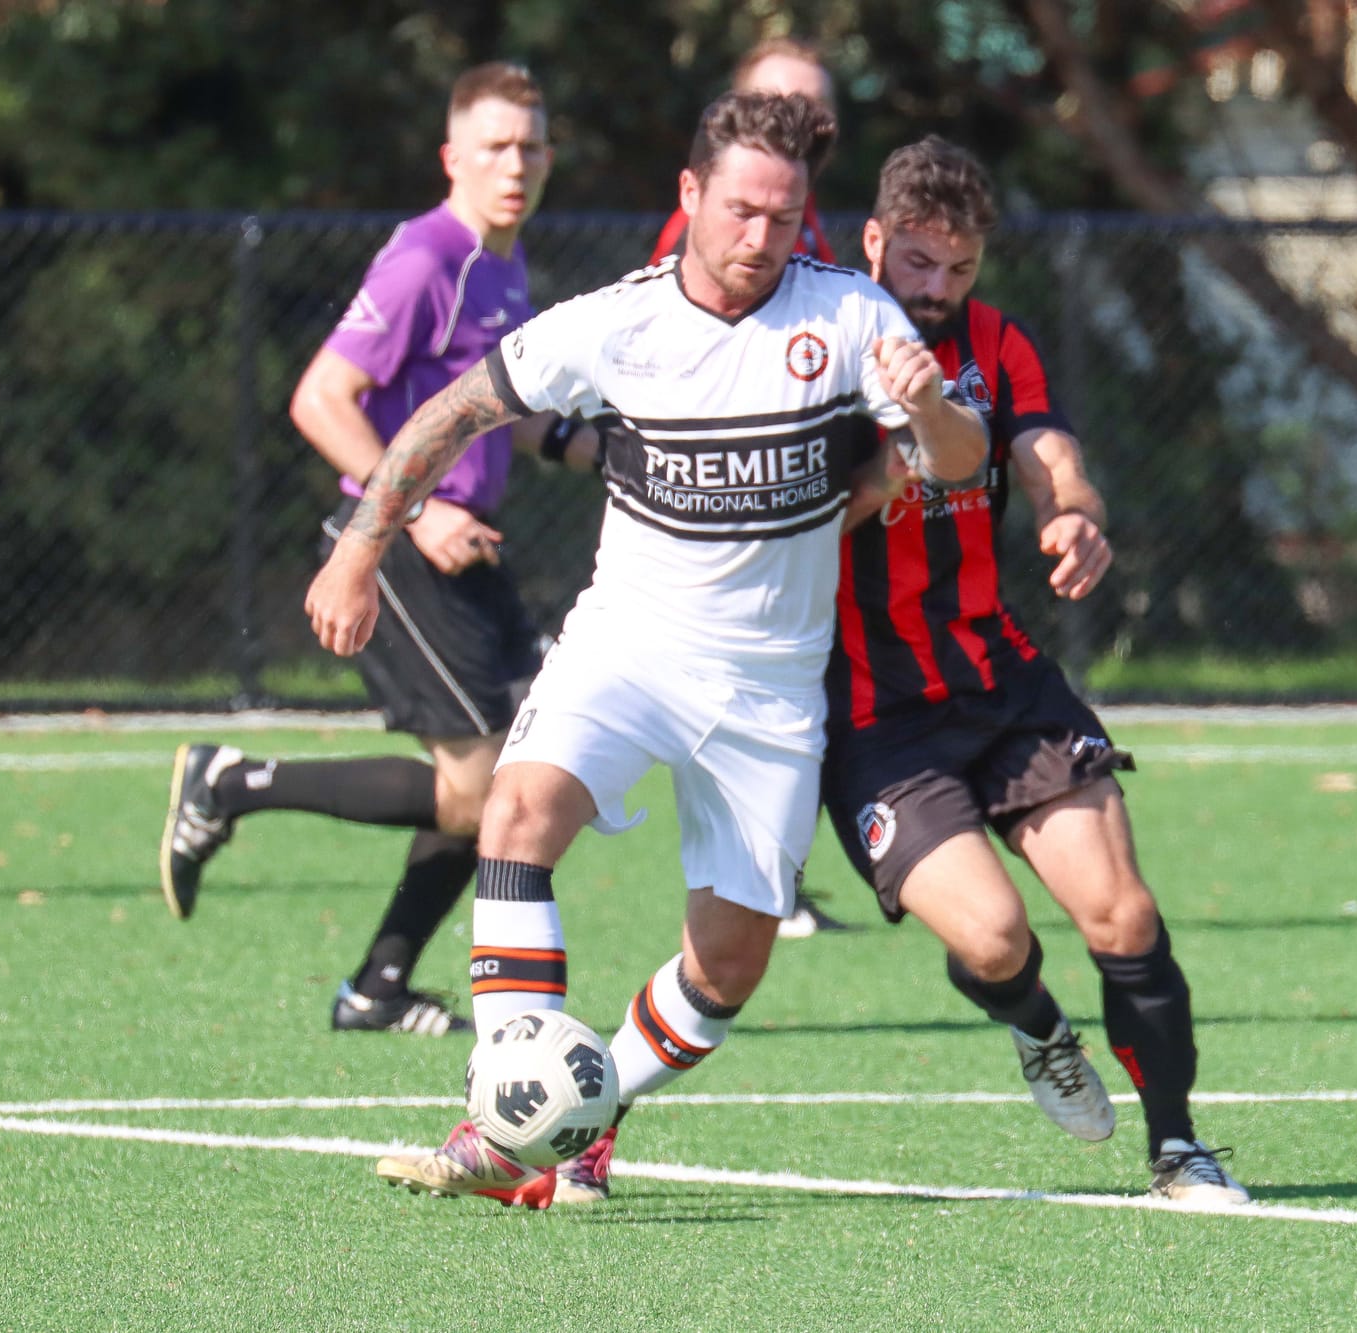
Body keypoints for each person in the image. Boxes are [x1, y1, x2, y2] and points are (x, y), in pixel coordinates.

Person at [304, 91, 988, 1207]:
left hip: (768, 687)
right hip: (625, 646)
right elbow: (449, 414)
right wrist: (359, 549)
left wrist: (924, 417)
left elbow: (952, 460)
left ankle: (586, 1109)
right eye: (737, 210)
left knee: (728, 969)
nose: (758, 237)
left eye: (782, 215)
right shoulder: (613, 323)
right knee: (515, 812)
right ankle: (505, 1113)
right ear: (689, 197)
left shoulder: (855, 317)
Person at [824, 137, 1249, 1205]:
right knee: (995, 935)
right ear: (873, 242)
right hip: (874, 712)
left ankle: (1178, 1147)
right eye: (916, 264)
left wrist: (1074, 518)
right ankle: (1039, 1028)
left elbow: (1052, 457)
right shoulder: (815, 343)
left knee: (1122, 915)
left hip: (1000, 678)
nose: (934, 290)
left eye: (956, 270)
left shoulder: (996, 343)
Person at [160, 62, 605, 1036]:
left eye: (531, 145)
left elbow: (503, 413)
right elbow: (319, 398)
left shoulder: (504, 260)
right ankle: (234, 783)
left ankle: (377, 987)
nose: (515, 164)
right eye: (494, 146)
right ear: (452, 156)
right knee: (482, 786)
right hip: (406, 547)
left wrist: (594, 447)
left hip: (467, 547)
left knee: (511, 777)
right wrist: (416, 512)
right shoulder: (426, 258)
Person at [651, 37, 846, 938]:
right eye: (784, 100)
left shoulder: (808, 233)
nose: (804, 118)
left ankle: (771, 882)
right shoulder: (708, 238)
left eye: (815, 107)